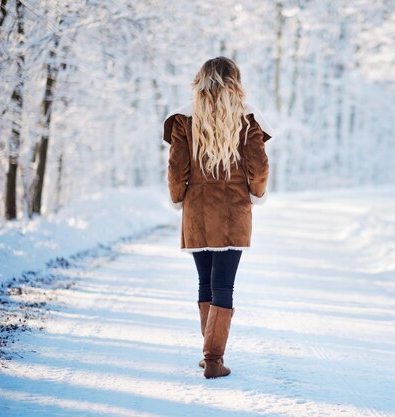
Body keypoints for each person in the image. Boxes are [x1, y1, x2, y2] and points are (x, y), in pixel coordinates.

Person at [162, 56, 272, 379]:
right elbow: (260, 168)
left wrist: (178, 198)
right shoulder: (247, 121)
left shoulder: (184, 121)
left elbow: (175, 170)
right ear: (235, 84)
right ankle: (213, 358)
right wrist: (257, 193)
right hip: (234, 214)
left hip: (197, 213)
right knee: (224, 283)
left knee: (204, 282)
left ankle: (210, 354)